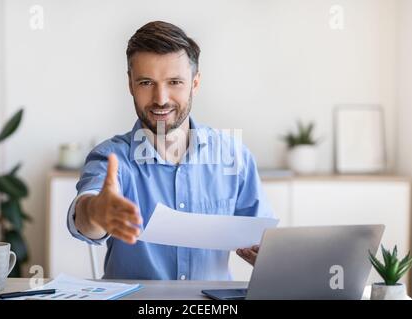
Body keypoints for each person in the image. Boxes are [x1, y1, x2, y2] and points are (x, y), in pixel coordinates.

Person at [67, 21, 275, 280]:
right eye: (146, 82)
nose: (161, 98)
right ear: (130, 84)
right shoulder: (110, 158)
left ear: (195, 84)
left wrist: (269, 257)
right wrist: (96, 212)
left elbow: (267, 242)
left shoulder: (235, 157)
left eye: (175, 82)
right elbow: (86, 219)